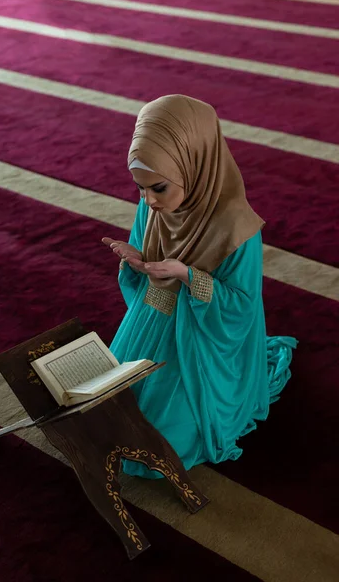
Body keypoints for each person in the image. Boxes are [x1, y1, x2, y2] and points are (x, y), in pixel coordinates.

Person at [102, 95, 297, 479]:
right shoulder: (154, 202)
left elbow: (241, 307)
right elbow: (149, 260)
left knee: (159, 447)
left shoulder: (236, 229)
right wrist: (137, 261)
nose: (148, 201)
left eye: (157, 188)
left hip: (203, 346)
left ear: (196, 165)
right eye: (140, 189)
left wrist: (189, 276)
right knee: (106, 416)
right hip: (152, 323)